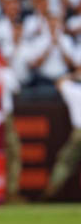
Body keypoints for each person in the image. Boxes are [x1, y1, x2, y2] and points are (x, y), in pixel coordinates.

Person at [44, 69, 81, 199]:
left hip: (78, 133)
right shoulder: (74, 90)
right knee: (65, 161)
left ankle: (51, 192)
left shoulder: (73, 90)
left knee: (65, 162)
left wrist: (75, 75)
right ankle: (51, 191)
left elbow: (60, 83)